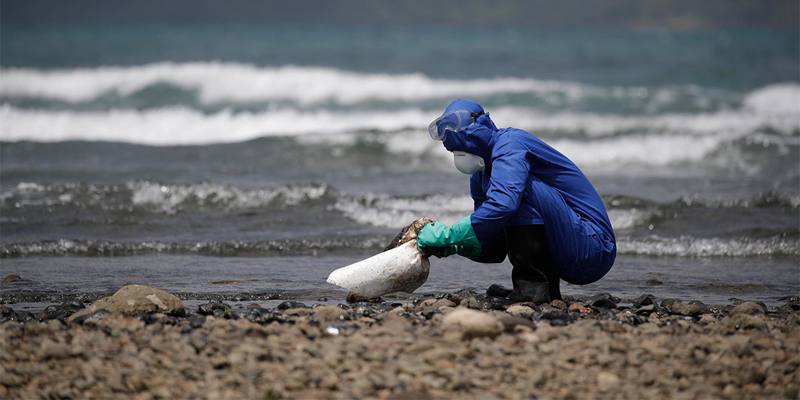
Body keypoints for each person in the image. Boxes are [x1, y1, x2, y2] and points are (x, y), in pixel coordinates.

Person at [416, 99, 616, 303]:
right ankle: (542, 291)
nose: (459, 157)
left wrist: (450, 234)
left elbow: (504, 204)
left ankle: (532, 289)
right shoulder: (481, 174)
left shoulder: (510, 143)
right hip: (565, 249)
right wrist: (456, 246)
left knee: (514, 194)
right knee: (499, 205)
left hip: (594, 246)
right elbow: (493, 248)